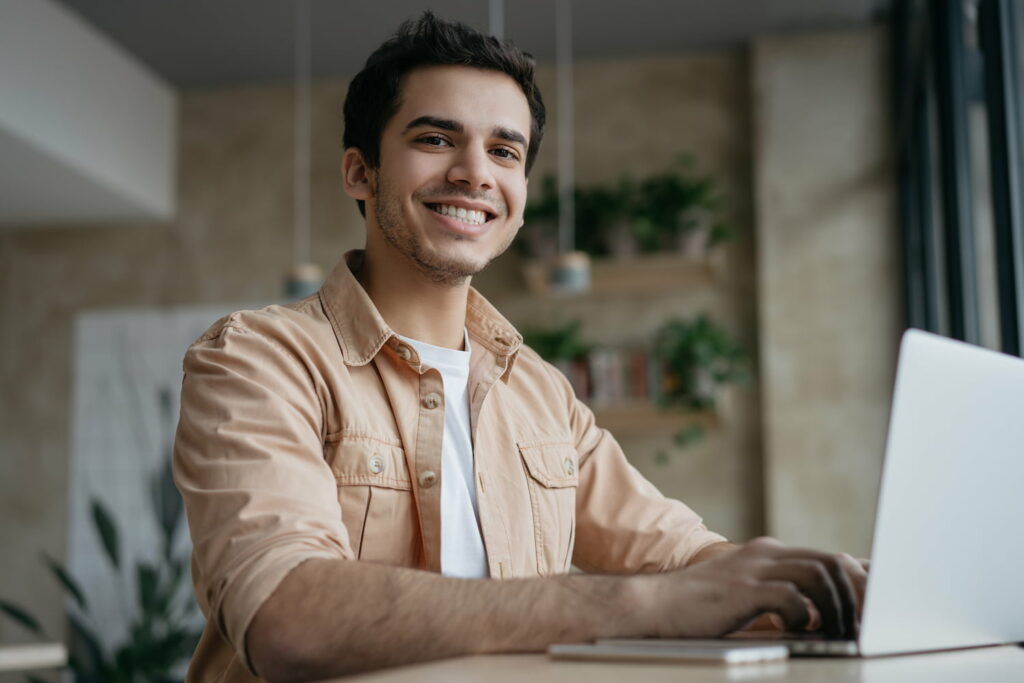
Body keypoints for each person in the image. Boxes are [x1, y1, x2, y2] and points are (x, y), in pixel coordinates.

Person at [173, 12, 867, 683]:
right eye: (436, 139)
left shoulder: (539, 392)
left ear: (523, 195)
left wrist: (813, 593)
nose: (476, 173)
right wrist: (636, 607)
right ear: (360, 172)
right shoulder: (256, 359)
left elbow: (677, 555)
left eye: (504, 151)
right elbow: (287, 616)